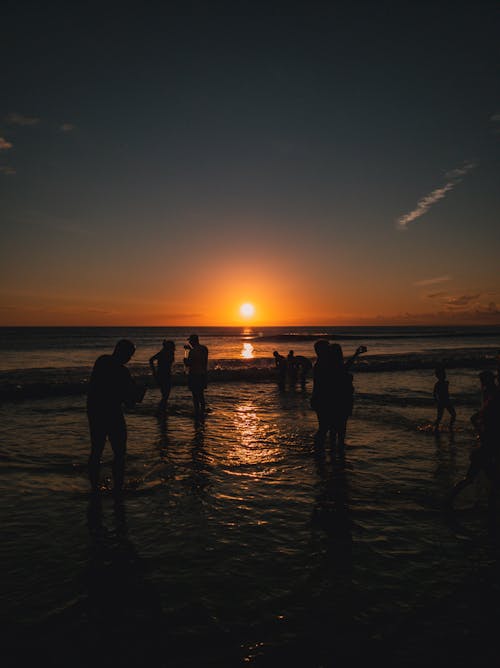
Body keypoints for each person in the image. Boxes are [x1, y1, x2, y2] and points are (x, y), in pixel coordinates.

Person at [87, 339, 145, 494]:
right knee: (119, 452)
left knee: (96, 449)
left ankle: (94, 487)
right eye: (129, 355)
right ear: (124, 353)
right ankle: (118, 487)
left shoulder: (102, 361)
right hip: (112, 413)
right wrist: (138, 393)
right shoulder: (122, 372)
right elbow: (129, 403)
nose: (129, 359)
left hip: (95, 411)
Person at [448, 371, 500, 508]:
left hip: (486, 445)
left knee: (473, 479)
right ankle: (491, 509)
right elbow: (479, 418)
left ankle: (448, 503)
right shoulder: (493, 396)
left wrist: (481, 433)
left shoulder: (491, 395)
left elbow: (476, 418)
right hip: (489, 446)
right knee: (491, 480)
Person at [311, 342, 366, 447]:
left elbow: (343, 369)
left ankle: (324, 452)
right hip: (330, 400)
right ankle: (326, 451)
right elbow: (342, 370)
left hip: (327, 400)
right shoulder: (324, 365)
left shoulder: (324, 364)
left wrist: (355, 354)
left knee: (330, 428)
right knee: (331, 428)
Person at [184, 334, 208, 417]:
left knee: (195, 394)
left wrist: (185, 360)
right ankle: (203, 410)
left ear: (193, 341)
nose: (189, 342)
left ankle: (197, 411)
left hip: (194, 374)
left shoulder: (192, 351)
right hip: (202, 373)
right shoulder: (204, 349)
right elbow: (200, 358)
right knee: (201, 393)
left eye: (190, 341)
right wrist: (190, 349)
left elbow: (189, 364)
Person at [149, 339, 175, 410]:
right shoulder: (163, 353)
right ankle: (160, 409)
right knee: (165, 394)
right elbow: (151, 359)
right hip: (162, 374)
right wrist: (154, 371)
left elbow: (151, 360)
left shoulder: (169, 352)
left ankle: (162, 409)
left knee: (165, 394)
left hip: (165, 374)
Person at [433, 365, 456, 431]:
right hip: (441, 402)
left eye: (444, 374)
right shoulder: (438, 384)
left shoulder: (446, 382)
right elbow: (434, 394)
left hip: (447, 401)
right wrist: (436, 401)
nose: (445, 375)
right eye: (443, 374)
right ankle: (436, 427)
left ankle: (450, 426)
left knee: (453, 414)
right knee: (439, 417)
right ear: (438, 376)